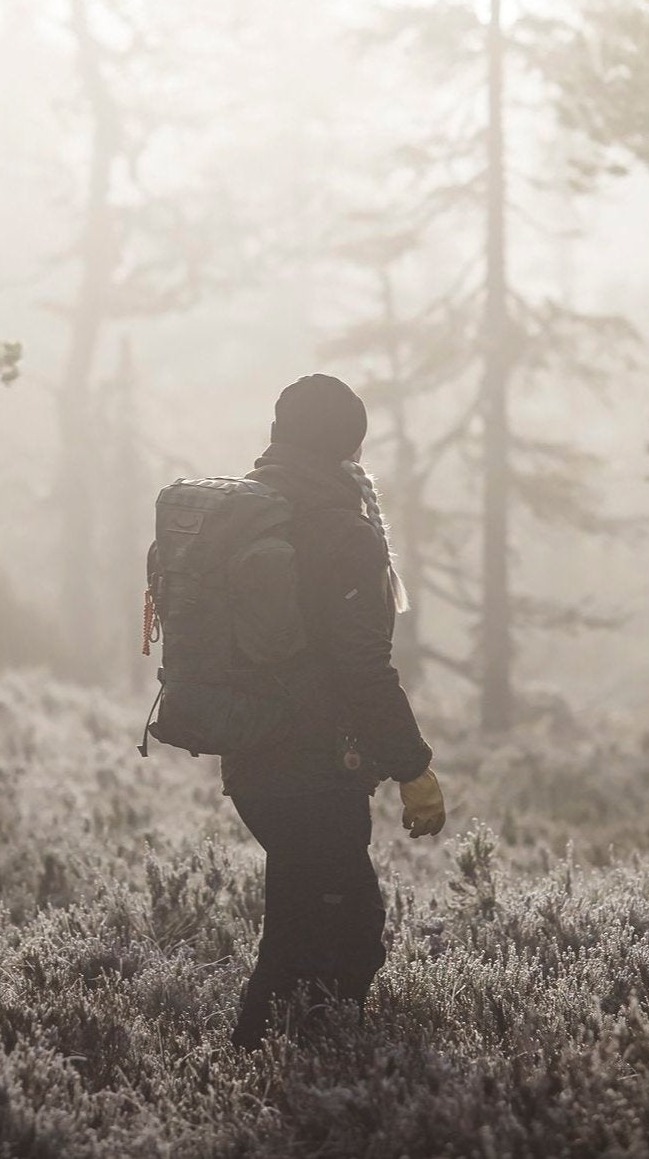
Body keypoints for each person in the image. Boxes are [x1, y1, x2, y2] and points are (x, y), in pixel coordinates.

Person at [224, 373, 446, 1051]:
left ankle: (274, 1068)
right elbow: (362, 668)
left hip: (252, 763)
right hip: (314, 768)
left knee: (300, 930)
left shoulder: (247, 511)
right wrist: (414, 769)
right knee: (341, 938)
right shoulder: (339, 531)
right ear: (348, 446)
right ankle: (313, 1081)